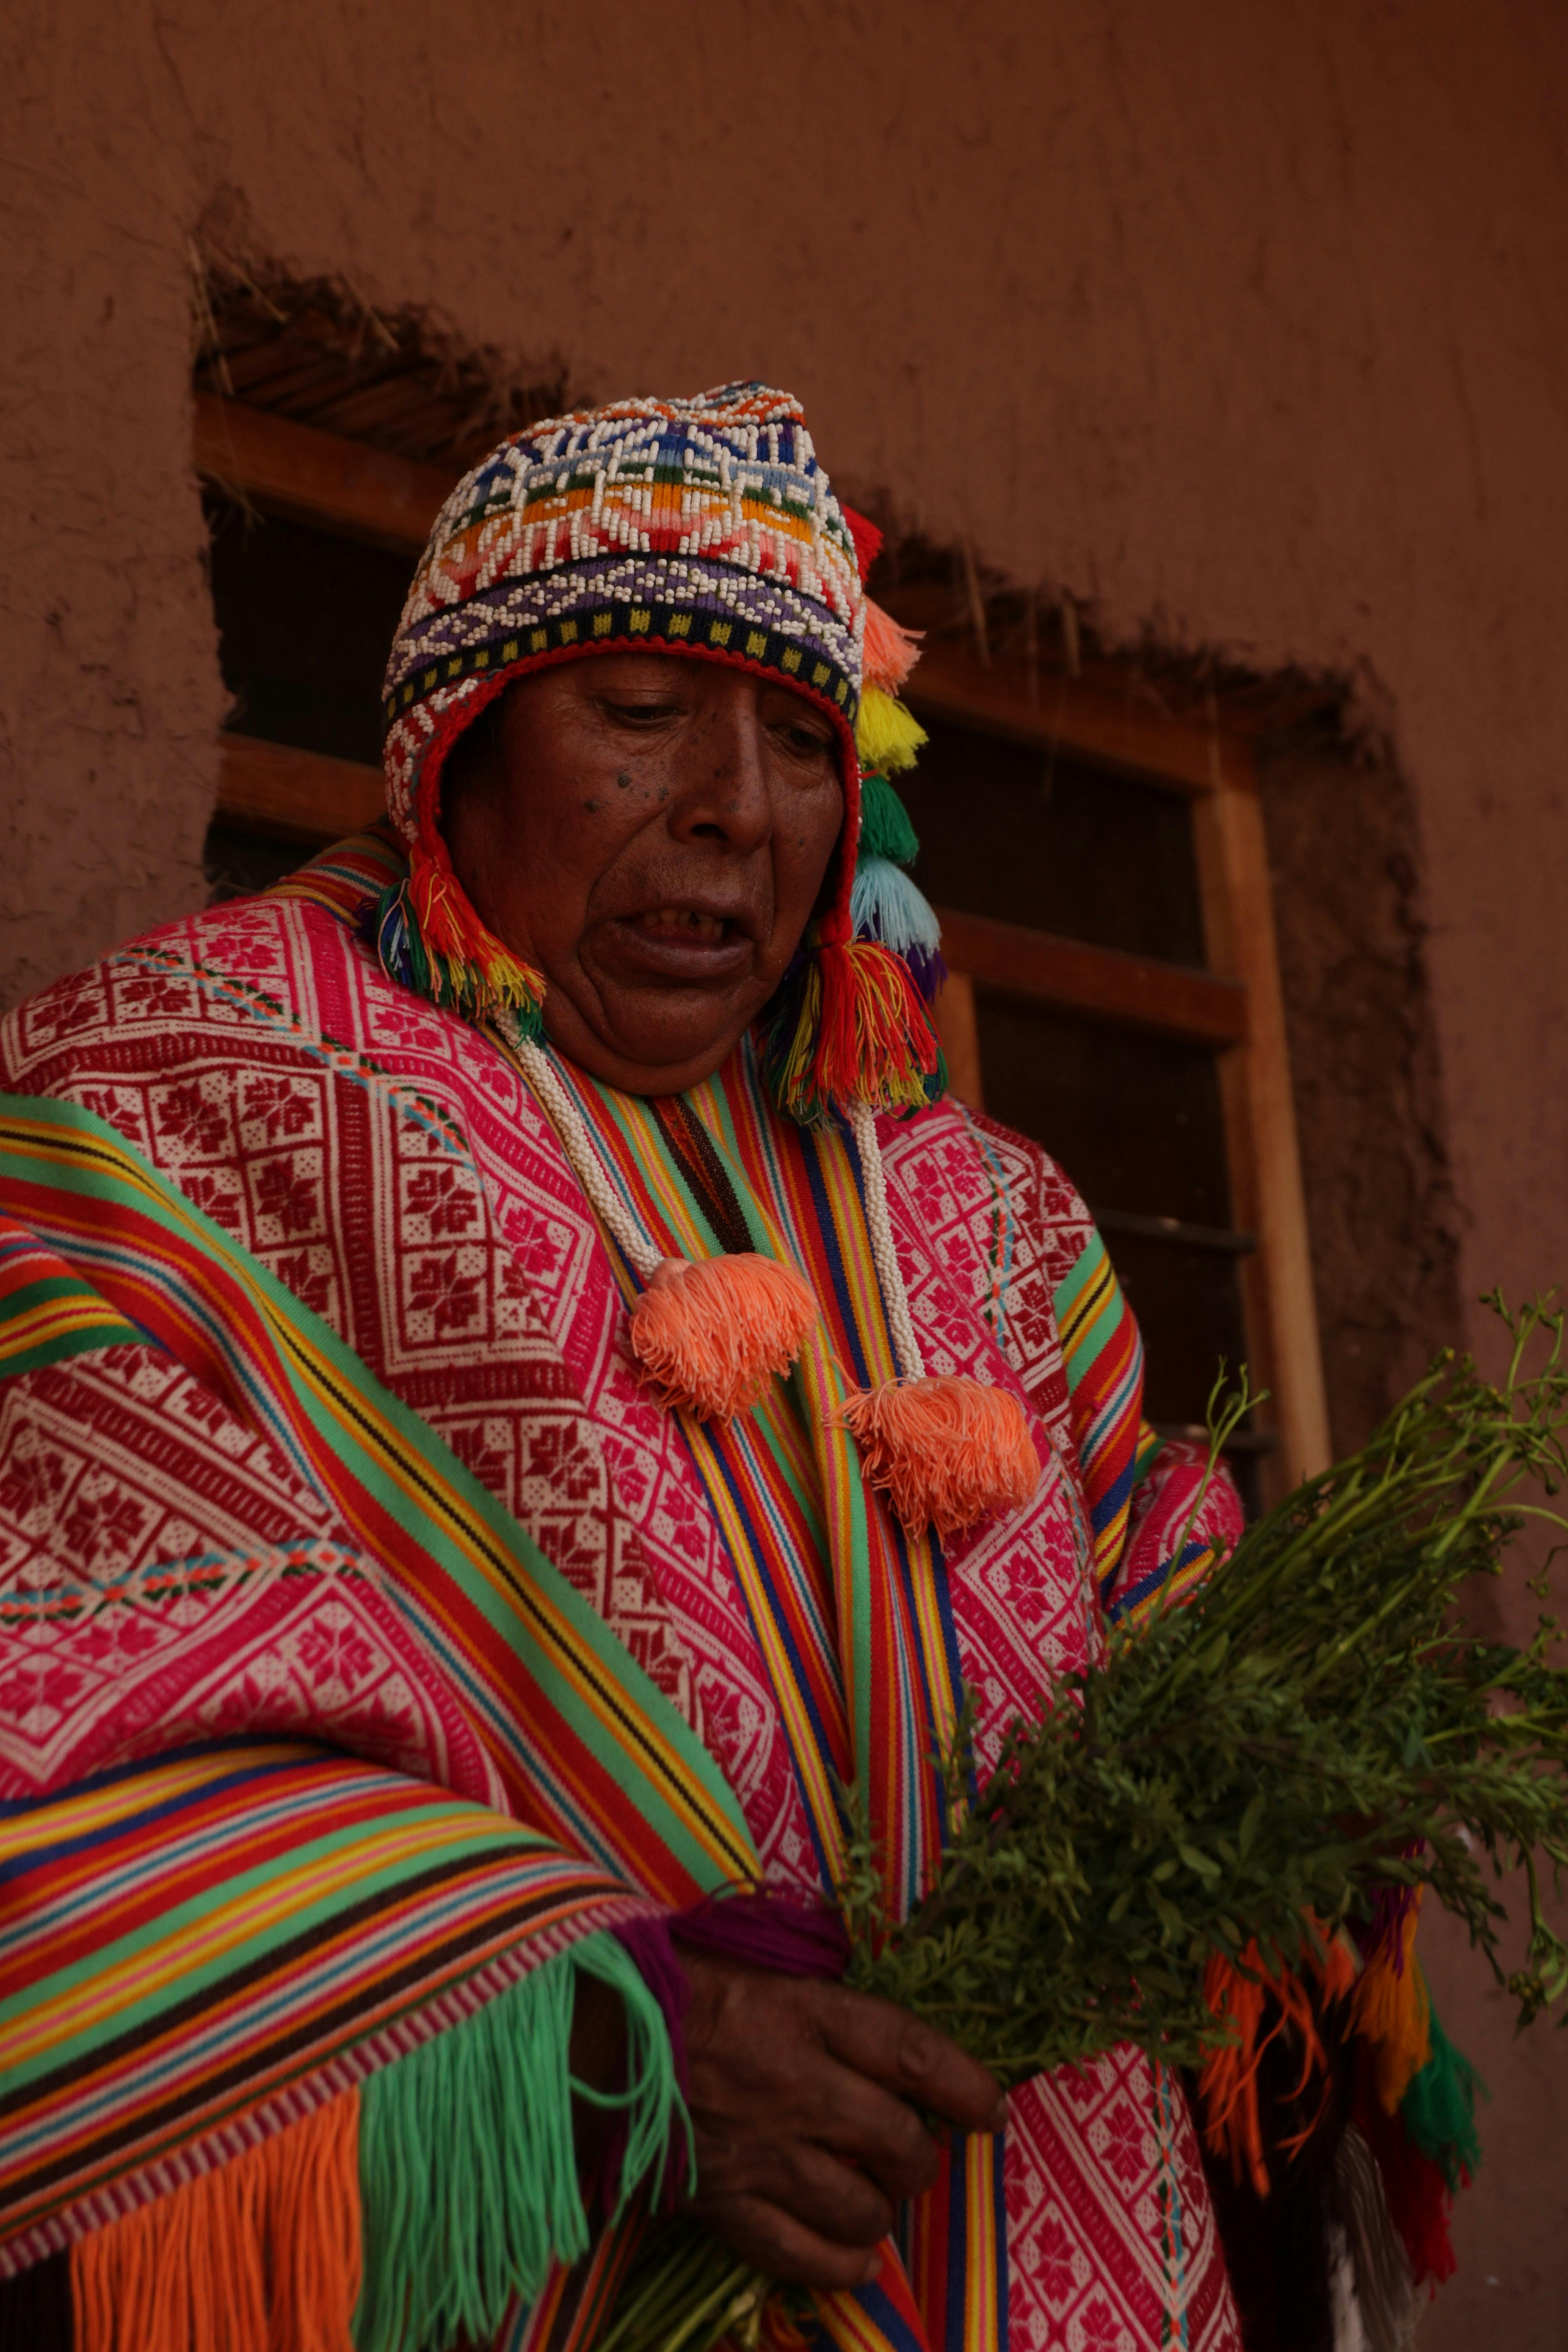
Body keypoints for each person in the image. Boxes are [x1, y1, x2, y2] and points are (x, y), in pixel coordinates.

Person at [0, 385, 1243, 2352]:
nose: (738, 808)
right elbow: (63, 1684)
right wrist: (606, 2044)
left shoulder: (986, 1210)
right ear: (451, 758)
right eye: (645, 716)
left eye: (799, 744)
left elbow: (1126, 1552)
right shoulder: (173, 1101)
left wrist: (1253, 1711)